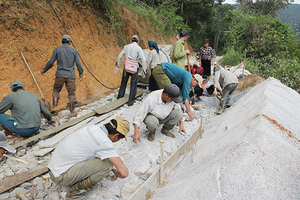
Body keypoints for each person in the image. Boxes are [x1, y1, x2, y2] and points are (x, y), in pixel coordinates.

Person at [48, 117, 130, 199]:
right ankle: (74, 194)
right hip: (60, 176)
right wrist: (116, 174)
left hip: (54, 167)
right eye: (120, 139)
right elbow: (124, 173)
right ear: (116, 135)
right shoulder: (104, 142)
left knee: (106, 158)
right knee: (108, 164)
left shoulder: (93, 128)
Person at [41, 35, 84, 115]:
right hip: (70, 76)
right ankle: (72, 111)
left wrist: (45, 70)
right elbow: (78, 63)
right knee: (71, 93)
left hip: (60, 74)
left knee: (56, 90)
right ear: (69, 42)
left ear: (62, 41)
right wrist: (81, 73)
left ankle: (54, 107)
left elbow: (51, 63)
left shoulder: (57, 50)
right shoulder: (74, 51)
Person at [114, 35, 147, 106]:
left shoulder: (126, 47)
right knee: (133, 84)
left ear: (131, 40)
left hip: (127, 67)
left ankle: (119, 98)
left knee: (123, 83)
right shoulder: (139, 48)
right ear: (138, 41)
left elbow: (120, 56)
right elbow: (143, 59)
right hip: (134, 68)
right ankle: (130, 102)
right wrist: (144, 69)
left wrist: (118, 65)